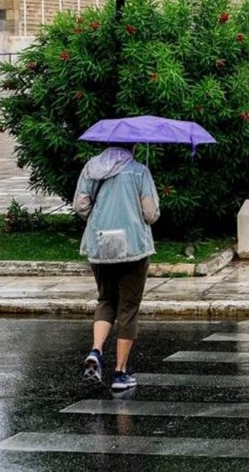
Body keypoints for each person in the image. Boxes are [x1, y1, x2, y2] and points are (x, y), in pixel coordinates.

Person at [72, 144, 160, 390]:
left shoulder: (91, 168)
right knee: (128, 307)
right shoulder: (139, 171)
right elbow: (150, 213)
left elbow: (80, 206)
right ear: (133, 146)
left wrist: (99, 218)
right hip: (133, 246)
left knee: (106, 299)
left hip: (100, 243)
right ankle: (120, 373)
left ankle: (96, 349)